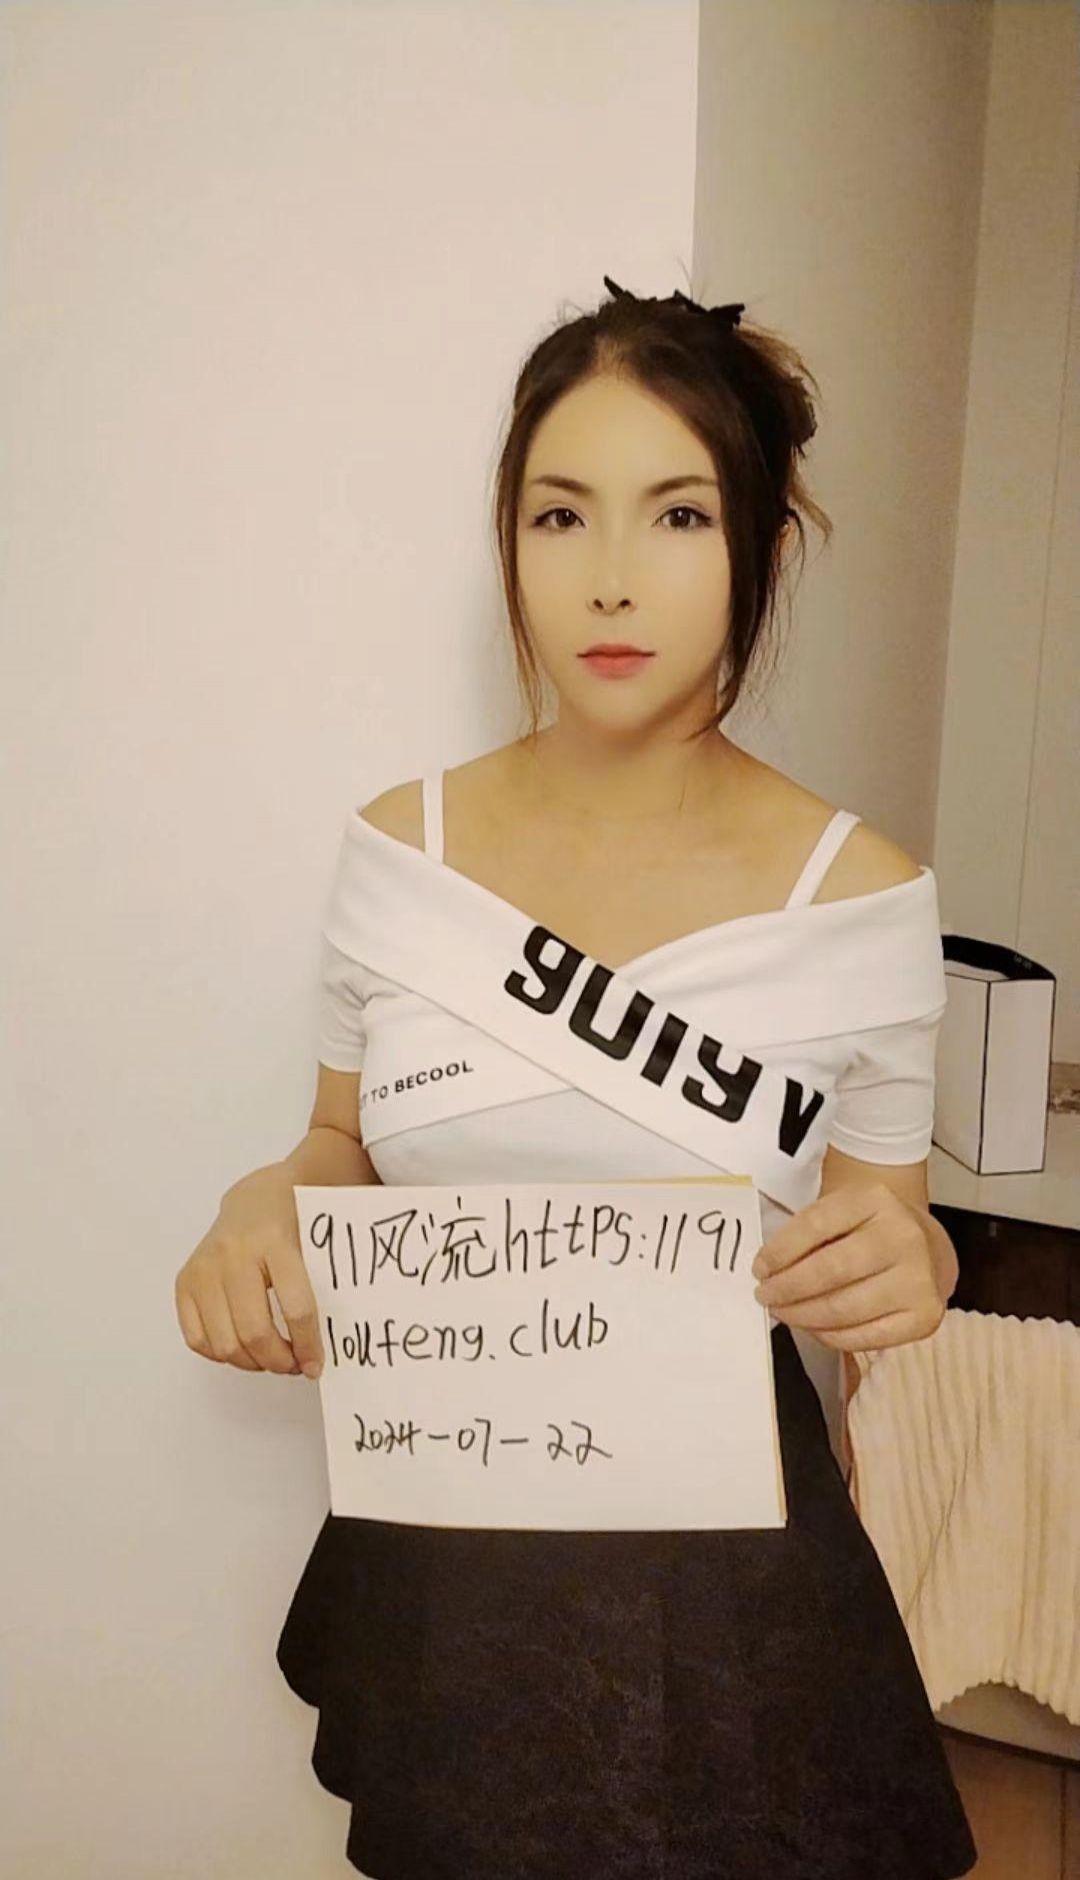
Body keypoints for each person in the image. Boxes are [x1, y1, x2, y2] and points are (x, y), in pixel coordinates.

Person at [175, 277, 979, 1879]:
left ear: (760, 547)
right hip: (449, 1542)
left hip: (729, 1569)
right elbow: (338, 1139)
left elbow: (895, 1226)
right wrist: (269, 1197)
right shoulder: (403, 853)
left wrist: (918, 1263)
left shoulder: (864, 897)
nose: (612, 576)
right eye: (561, 515)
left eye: (678, 515)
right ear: (510, 545)